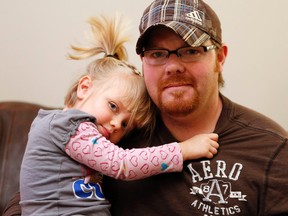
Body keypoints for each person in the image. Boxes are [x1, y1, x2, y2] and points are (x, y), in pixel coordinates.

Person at [19, 14, 219, 216]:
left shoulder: (67, 130)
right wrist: (183, 150)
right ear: (85, 87)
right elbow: (122, 164)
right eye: (113, 106)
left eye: (125, 125)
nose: (116, 124)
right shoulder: (69, 126)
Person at [103, 0, 288, 216]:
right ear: (143, 61)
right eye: (157, 54)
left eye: (191, 51)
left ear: (219, 58)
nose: (173, 67)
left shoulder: (271, 149)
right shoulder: (114, 135)